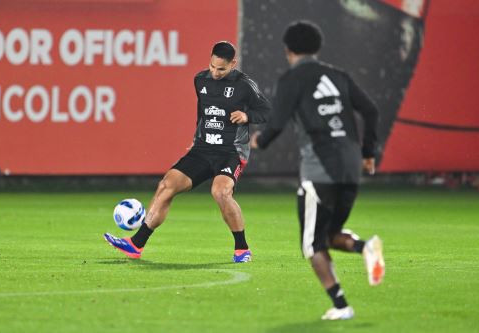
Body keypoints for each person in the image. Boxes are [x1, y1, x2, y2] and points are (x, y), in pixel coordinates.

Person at [250, 21, 385, 320]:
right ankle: (366, 247)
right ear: (317, 47)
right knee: (330, 234)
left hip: (320, 170)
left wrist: (259, 140)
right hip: (351, 168)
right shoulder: (339, 76)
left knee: (311, 245)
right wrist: (368, 153)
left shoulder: (292, 79)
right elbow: (372, 111)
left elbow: (276, 122)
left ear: (288, 50)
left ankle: (341, 306)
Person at [105, 41, 270, 263]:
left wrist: (247, 116)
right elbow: (203, 113)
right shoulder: (200, 80)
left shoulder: (244, 85)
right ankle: (136, 244)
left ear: (233, 63)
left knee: (220, 192)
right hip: (202, 149)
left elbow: (268, 112)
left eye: (221, 69)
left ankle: (242, 248)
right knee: (166, 184)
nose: (215, 72)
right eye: (212, 66)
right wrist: (196, 138)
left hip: (230, 151)